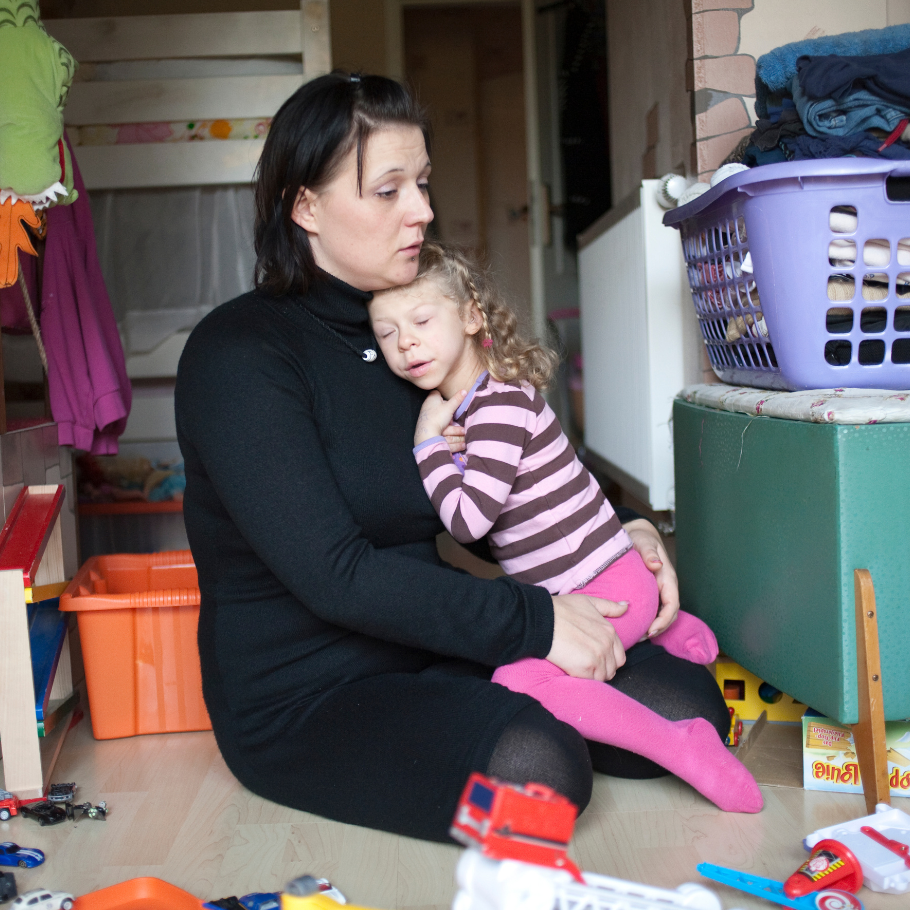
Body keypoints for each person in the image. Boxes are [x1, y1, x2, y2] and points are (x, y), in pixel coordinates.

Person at [175, 70, 734, 844]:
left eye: (424, 183)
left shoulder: (411, 337)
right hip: (304, 694)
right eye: (389, 190)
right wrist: (533, 623)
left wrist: (624, 529)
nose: (423, 211)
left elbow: (509, 483)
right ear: (305, 207)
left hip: (433, 636)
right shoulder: (239, 355)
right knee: (542, 772)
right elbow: (334, 575)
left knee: (691, 706)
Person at [367, 242, 762, 814]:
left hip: (601, 587)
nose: (405, 342)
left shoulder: (497, 409)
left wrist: (428, 443)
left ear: (472, 315)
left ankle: (681, 745)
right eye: (386, 333)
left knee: (520, 680)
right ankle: (662, 623)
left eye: (421, 320)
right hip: (604, 579)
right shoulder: (482, 406)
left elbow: (467, 520)